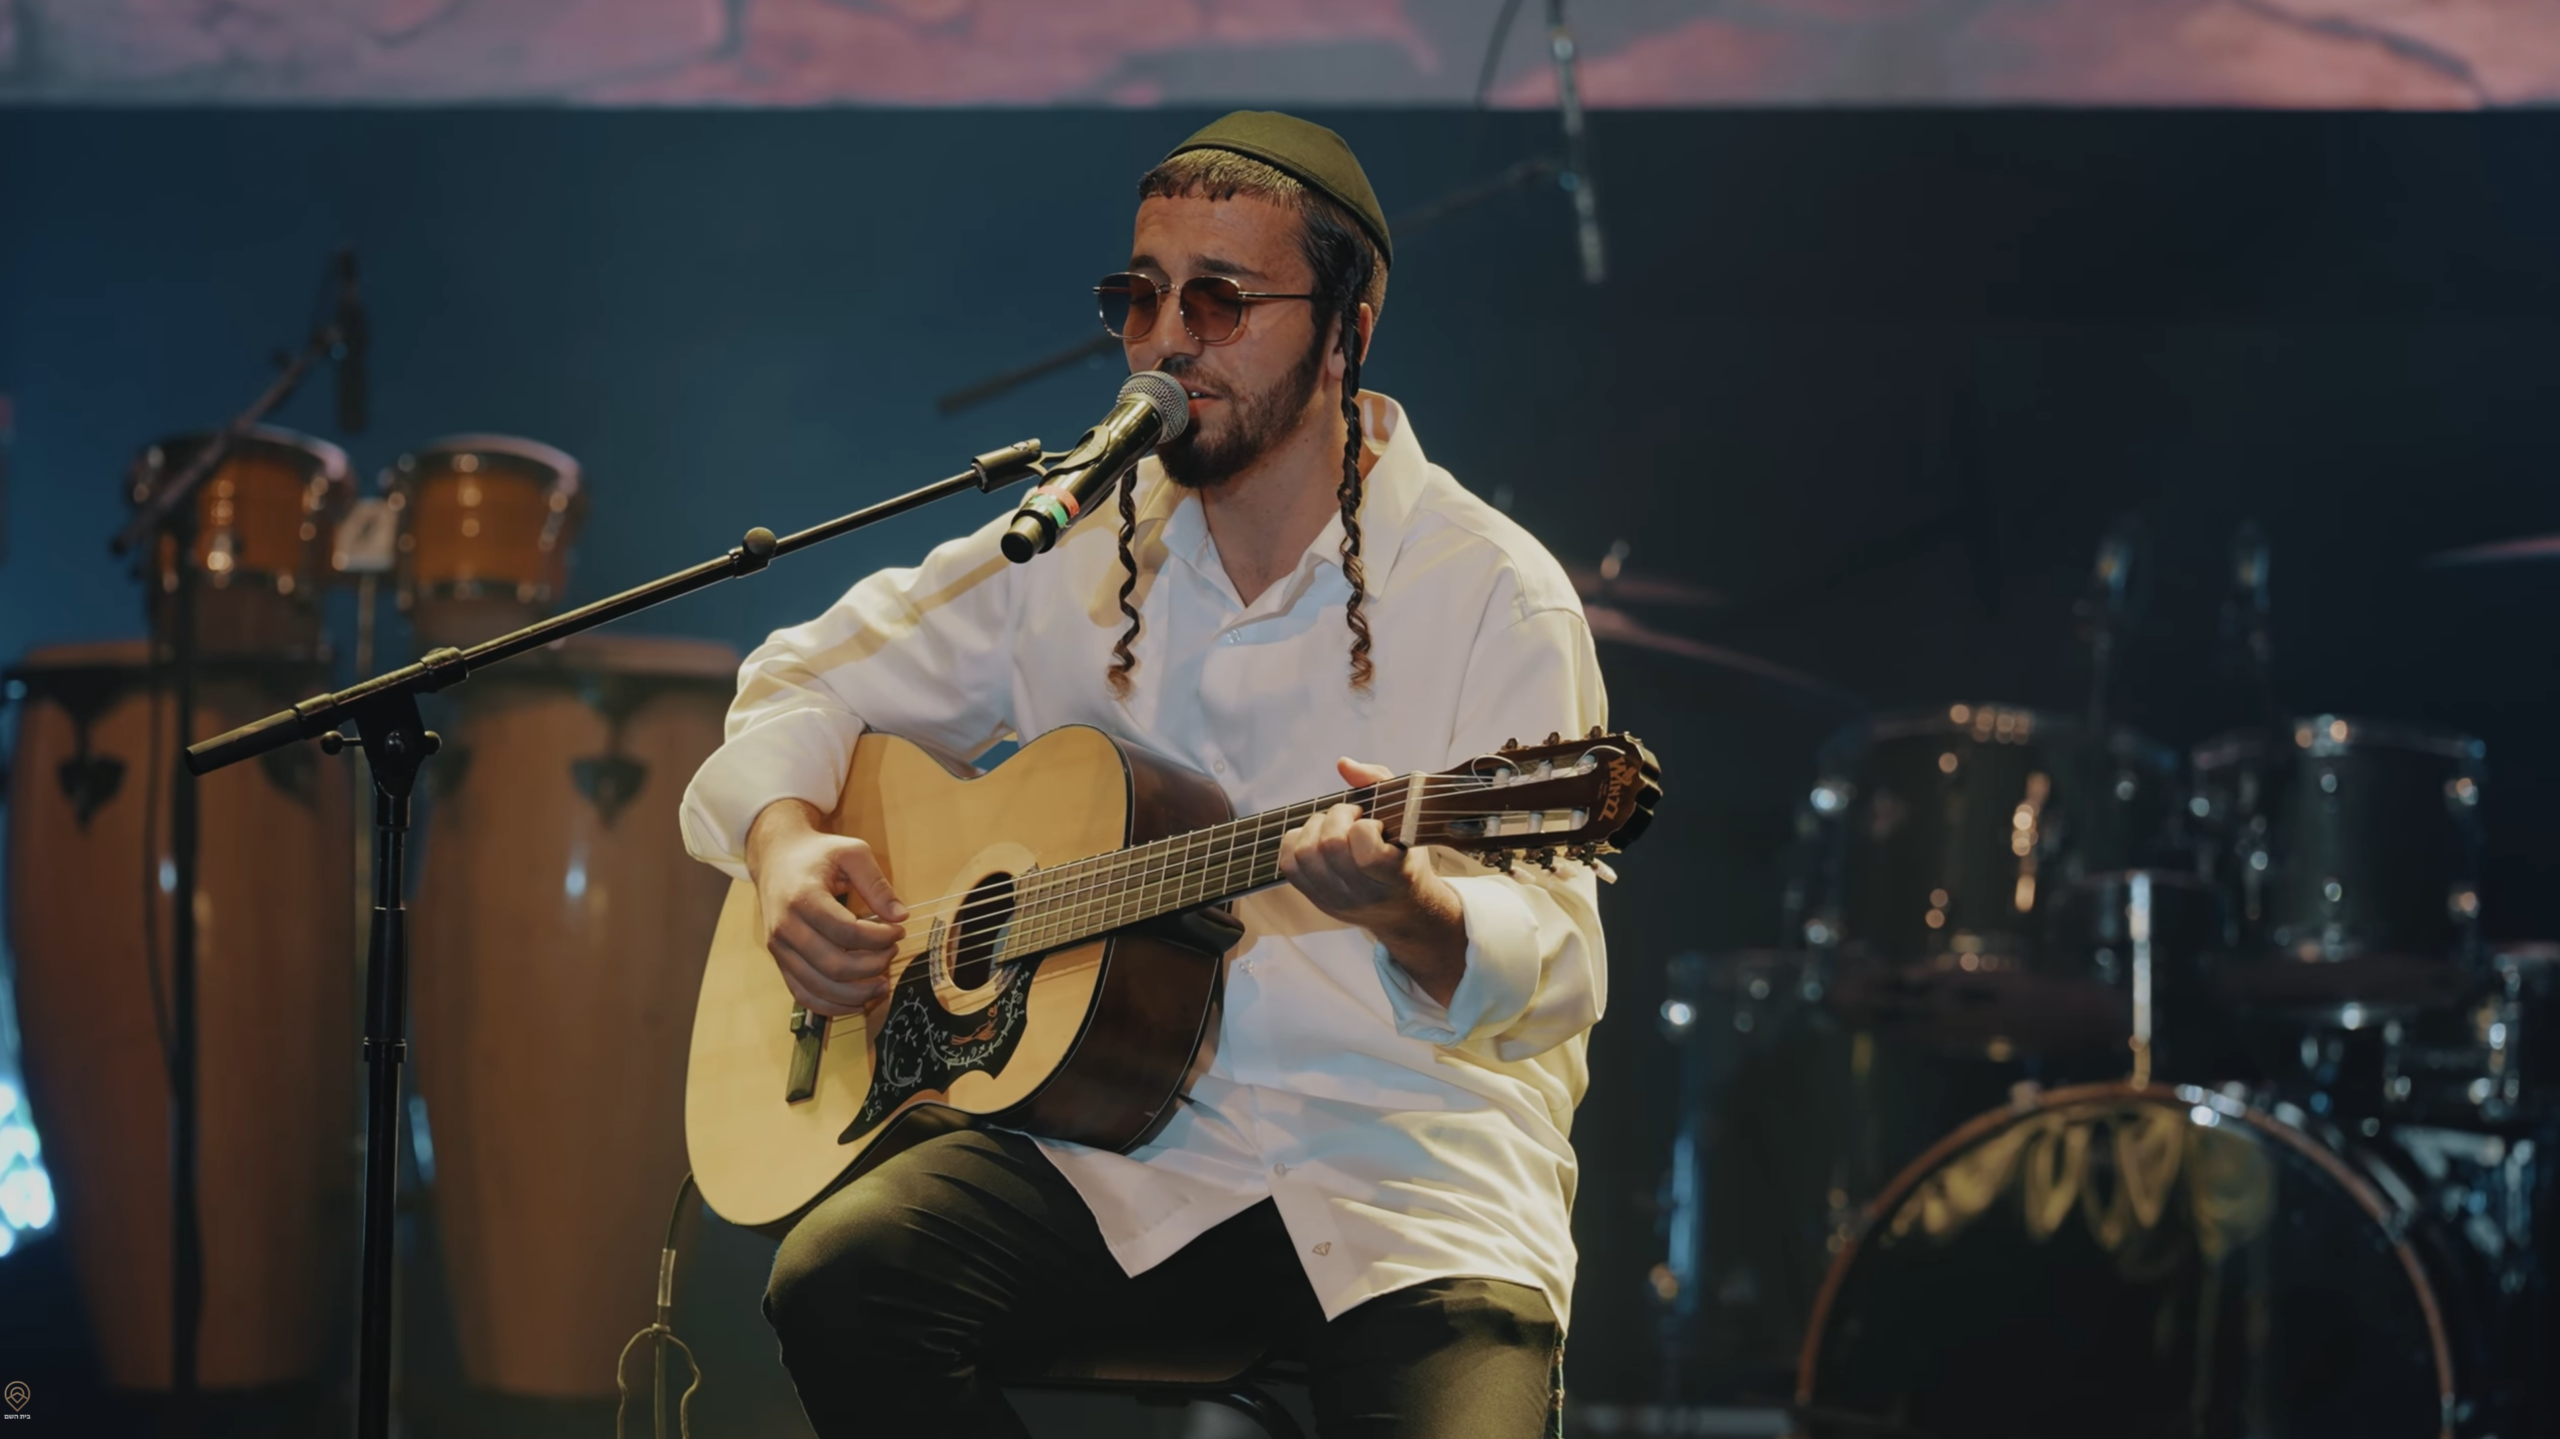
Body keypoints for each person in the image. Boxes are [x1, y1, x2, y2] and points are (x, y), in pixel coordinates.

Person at [679, 111, 1608, 1439]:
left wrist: (1419, 911)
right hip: (1133, 1155)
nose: (1169, 339)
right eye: (1141, 297)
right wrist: (781, 845)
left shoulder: (1494, 593)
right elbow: (796, 679)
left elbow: (1563, 968)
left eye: (1220, 300)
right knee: (846, 1281)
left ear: (1346, 332)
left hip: (1410, 1180)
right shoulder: (1068, 546)